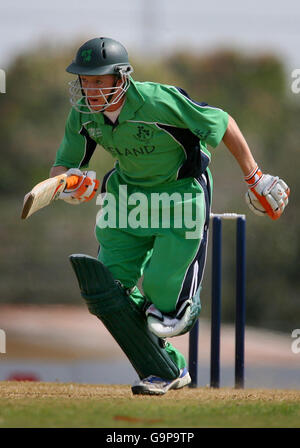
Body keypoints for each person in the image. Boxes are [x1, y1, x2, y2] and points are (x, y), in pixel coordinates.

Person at [50, 37, 290, 395]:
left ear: (121, 78)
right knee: (105, 292)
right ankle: (165, 368)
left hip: (179, 195)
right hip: (127, 198)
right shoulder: (83, 113)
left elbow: (221, 122)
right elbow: (64, 166)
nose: (90, 89)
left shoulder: (158, 101)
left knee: (165, 307)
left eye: (99, 80)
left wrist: (255, 176)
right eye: (85, 80)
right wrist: (68, 184)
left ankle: (180, 307)